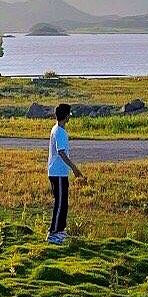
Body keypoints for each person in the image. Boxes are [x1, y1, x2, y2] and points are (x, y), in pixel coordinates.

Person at [46, 103, 84, 245]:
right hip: (58, 172)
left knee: (63, 202)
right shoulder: (60, 132)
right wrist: (74, 168)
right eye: (69, 115)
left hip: (58, 172)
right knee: (60, 203)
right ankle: (53, 232)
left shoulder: (57, 129)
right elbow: (61, 152)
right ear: (66, 116)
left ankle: (60, 230)